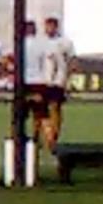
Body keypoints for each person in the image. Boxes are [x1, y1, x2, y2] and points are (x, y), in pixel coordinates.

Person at [24, 16, 70, 173]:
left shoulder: (22, 44)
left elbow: (7, 62)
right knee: (42, 114)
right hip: (40, 82)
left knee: (30, 114)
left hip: (28, 84)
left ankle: (34, 141)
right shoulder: (41, 44)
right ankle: (49, 142)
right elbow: (53, 59)